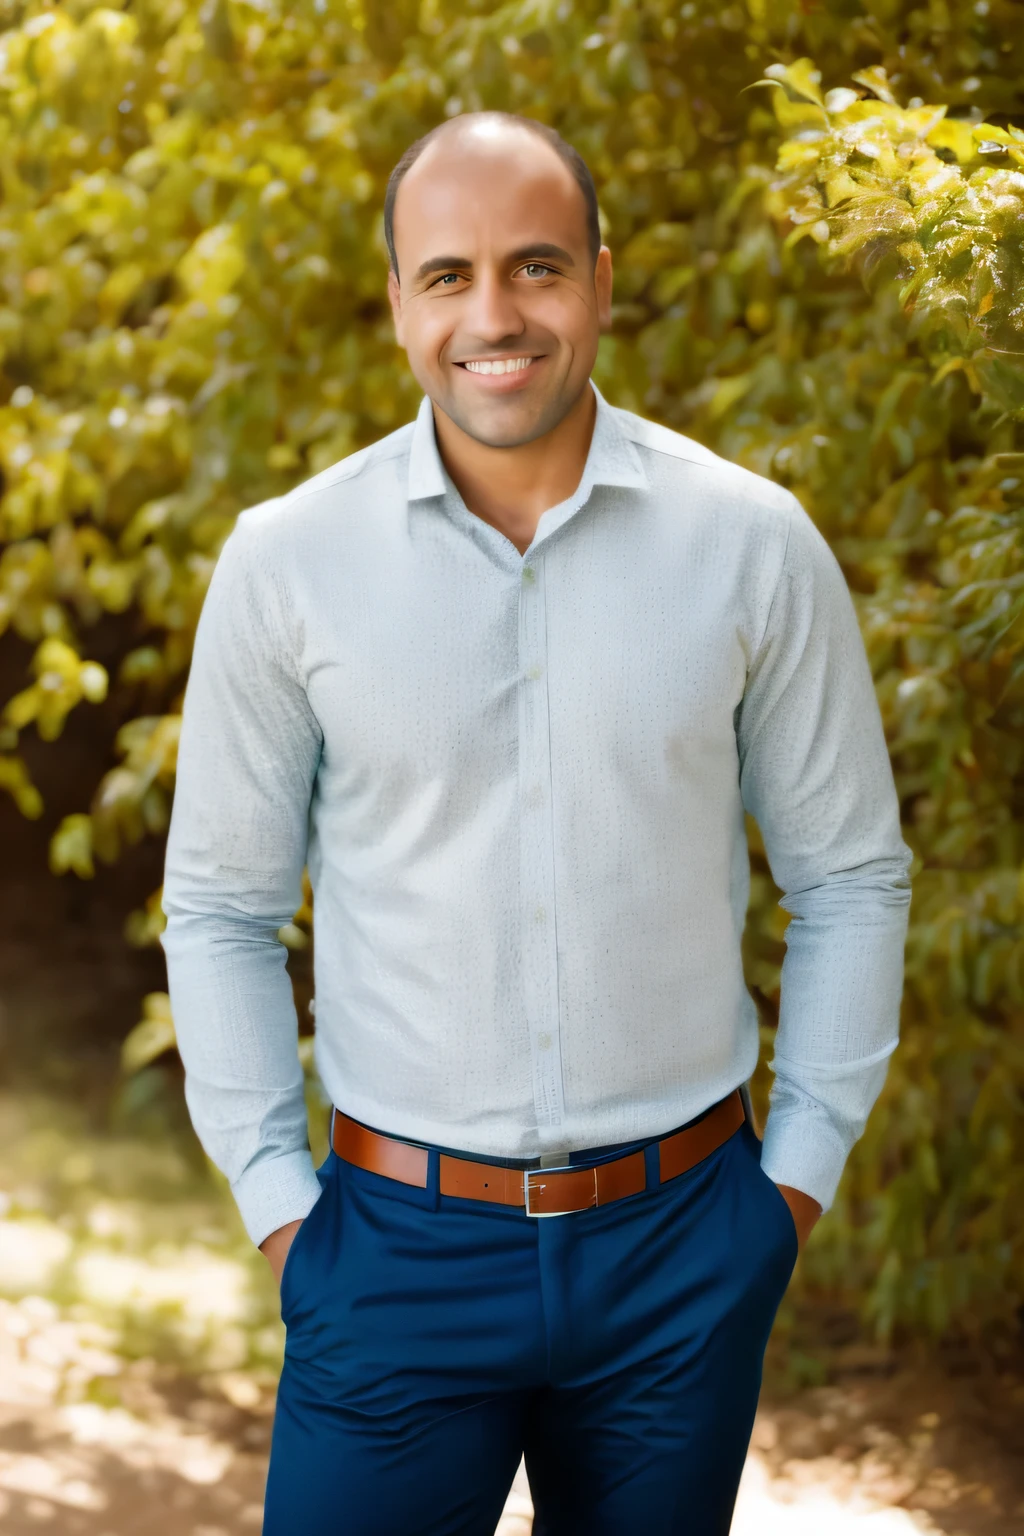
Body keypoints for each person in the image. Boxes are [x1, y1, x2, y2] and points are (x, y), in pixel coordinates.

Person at [161, 111, 913, 1535]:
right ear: (395, 303)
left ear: (604, 283)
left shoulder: (752, 545)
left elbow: (853, 879)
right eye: (447, 276)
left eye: (537, 267)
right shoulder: (288, 565)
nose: (494, 316)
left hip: (687, 1248)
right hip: (392, 1255)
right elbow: (219, 909)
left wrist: (791, 1189)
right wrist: (282, 1212)